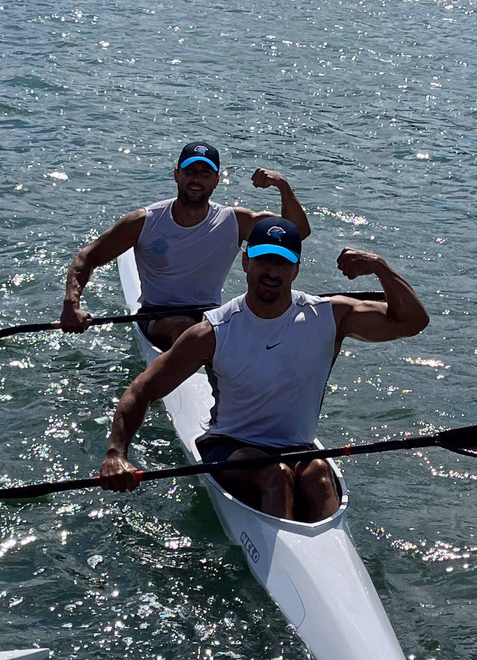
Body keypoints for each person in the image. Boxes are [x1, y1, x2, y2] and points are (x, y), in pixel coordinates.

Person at [98, 215, 429, 522]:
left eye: (282, 262)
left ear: (296, 269)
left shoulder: (329, 316)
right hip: (230, 448)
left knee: (318, 476)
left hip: (297, 447)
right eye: (264, 259)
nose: (272, 271)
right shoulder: (213, 331)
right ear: (245, 262)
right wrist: (116, 453)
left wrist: (381, 268)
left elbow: (414, 321)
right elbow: (143, 389)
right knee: (276, 475)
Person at [61, 145, 312, 350]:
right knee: (182, 327)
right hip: (156, 316)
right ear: (176, 175)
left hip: (209, 316)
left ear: (215, 181)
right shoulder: (144, 222)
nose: (196, 179)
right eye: (190, 171)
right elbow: (87, 257)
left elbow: (297, 232)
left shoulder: (235, 221)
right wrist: (72, 305)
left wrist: (282, 186)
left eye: (205, 173)